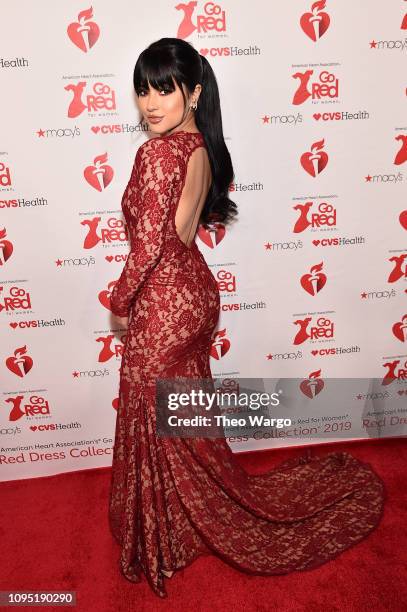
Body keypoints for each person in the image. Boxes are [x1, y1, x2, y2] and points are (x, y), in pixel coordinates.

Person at [108, 37, 385, 599]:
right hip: (193, 295)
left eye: (165, 88)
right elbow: (177, 236)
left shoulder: (157, 153)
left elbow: (150, 246)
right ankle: (183, 517)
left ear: (194, 91)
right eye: (143, 89)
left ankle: (171, 527)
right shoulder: (199, 146)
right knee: (179, 413)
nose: (151, 102)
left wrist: (119, 302)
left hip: (164, 301)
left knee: (154, 409)